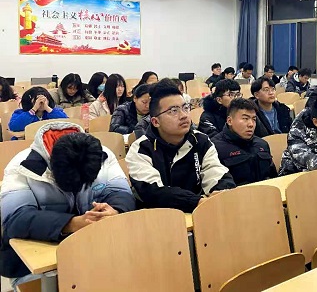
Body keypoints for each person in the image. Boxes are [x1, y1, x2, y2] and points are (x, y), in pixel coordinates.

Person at [0, 122, 135, 284]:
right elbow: (15, 219)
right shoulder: (22, 166)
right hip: (35, 263)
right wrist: (71, 224)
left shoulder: (101, 156)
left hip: (94, 249)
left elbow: (121, 192)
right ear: (52, 168)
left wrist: (115, 211)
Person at [126, 82, 235, 212]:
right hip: (159, 218)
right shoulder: (141, 149)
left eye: (185, 107)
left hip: (201, 213)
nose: (183, 115)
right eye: (174, 111)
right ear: (155, 122)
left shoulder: (201, 140)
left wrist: (221, 192)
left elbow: (216, 172)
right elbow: (154, 192)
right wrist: (196, 201)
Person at [211, 99, 278, 185]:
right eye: (245, 119)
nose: (251, 124)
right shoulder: (215, 148)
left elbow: (274, 178)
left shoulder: (262, 144)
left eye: (254, 119)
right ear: (229, 121)